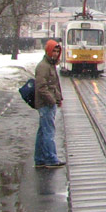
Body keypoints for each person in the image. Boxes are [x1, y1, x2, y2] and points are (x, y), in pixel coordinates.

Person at [34, 39, 66, 169]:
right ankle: (51, 158)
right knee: (49, 132)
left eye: (58, 51)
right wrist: (52, 101)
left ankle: (40, 159)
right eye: (54, 50)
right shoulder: (44, 66)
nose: (56, 53)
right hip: (45, 104)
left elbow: (54, 85)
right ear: (48, 50)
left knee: (43, 132)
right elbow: (41, 87)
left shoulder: (50, 65)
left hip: (48, 102)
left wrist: (59, 99)